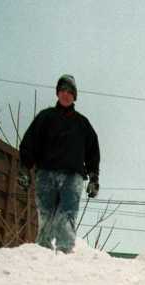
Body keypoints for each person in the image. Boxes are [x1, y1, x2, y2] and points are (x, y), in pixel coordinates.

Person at [18, 75, 100, 253]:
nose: (66, 95)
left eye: (70, 92)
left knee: (67, 217)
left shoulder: (82, 124)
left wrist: (94, 178)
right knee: (45, 216)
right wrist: (25, 168)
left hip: (73, 177)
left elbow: (93, 152)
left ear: (74, 96)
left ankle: (65, 254)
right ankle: (43, 254)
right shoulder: (45, 118)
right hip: (46, 175)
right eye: (63, 90)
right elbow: (28, 144)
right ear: (57, 93)